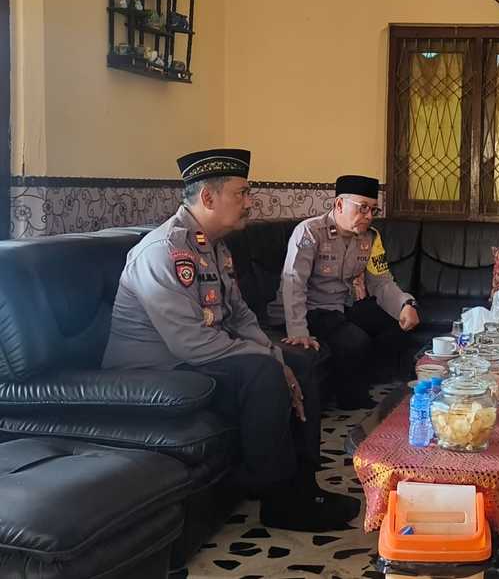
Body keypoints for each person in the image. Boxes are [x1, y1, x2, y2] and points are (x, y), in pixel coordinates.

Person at [102, 148, 359, 532]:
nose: (250, 203)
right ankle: (278, 497)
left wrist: (274, 352)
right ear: (208, 197)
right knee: (263, 372)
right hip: (155, 370)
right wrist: (268, 360)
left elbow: (240, 315)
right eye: (242, 194)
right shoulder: (163, 251)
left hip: (193, 358)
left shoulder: (213, 246)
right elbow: (190, 342)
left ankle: (303, 487)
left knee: (298, 360)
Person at [267, 175, 420, 410]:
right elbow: (293, 283)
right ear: (339, 204)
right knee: (354, 341)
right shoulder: (310, 231)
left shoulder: (369, 238)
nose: (369, 216)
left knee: (396, 323)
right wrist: (297, 330)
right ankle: (352, 402)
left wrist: (405, 305)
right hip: (310, 308)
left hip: (340, 306)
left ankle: (376, 384)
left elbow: (381, 282)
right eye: (363, 208)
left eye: (373, 210)